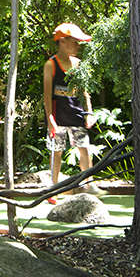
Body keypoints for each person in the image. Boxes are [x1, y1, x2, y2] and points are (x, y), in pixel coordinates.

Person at [43, 22, 98, 204]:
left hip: (76, 113)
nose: (77, 46)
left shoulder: (78, 64)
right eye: (74, 42)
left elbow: (84, 91)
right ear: (63, 42)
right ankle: (53, 188)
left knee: (84, 148)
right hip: (58, 115)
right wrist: (50, 119)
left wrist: (88, 112)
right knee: (56, 152)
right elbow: (47, 95)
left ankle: (88, 184)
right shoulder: (51, 65)